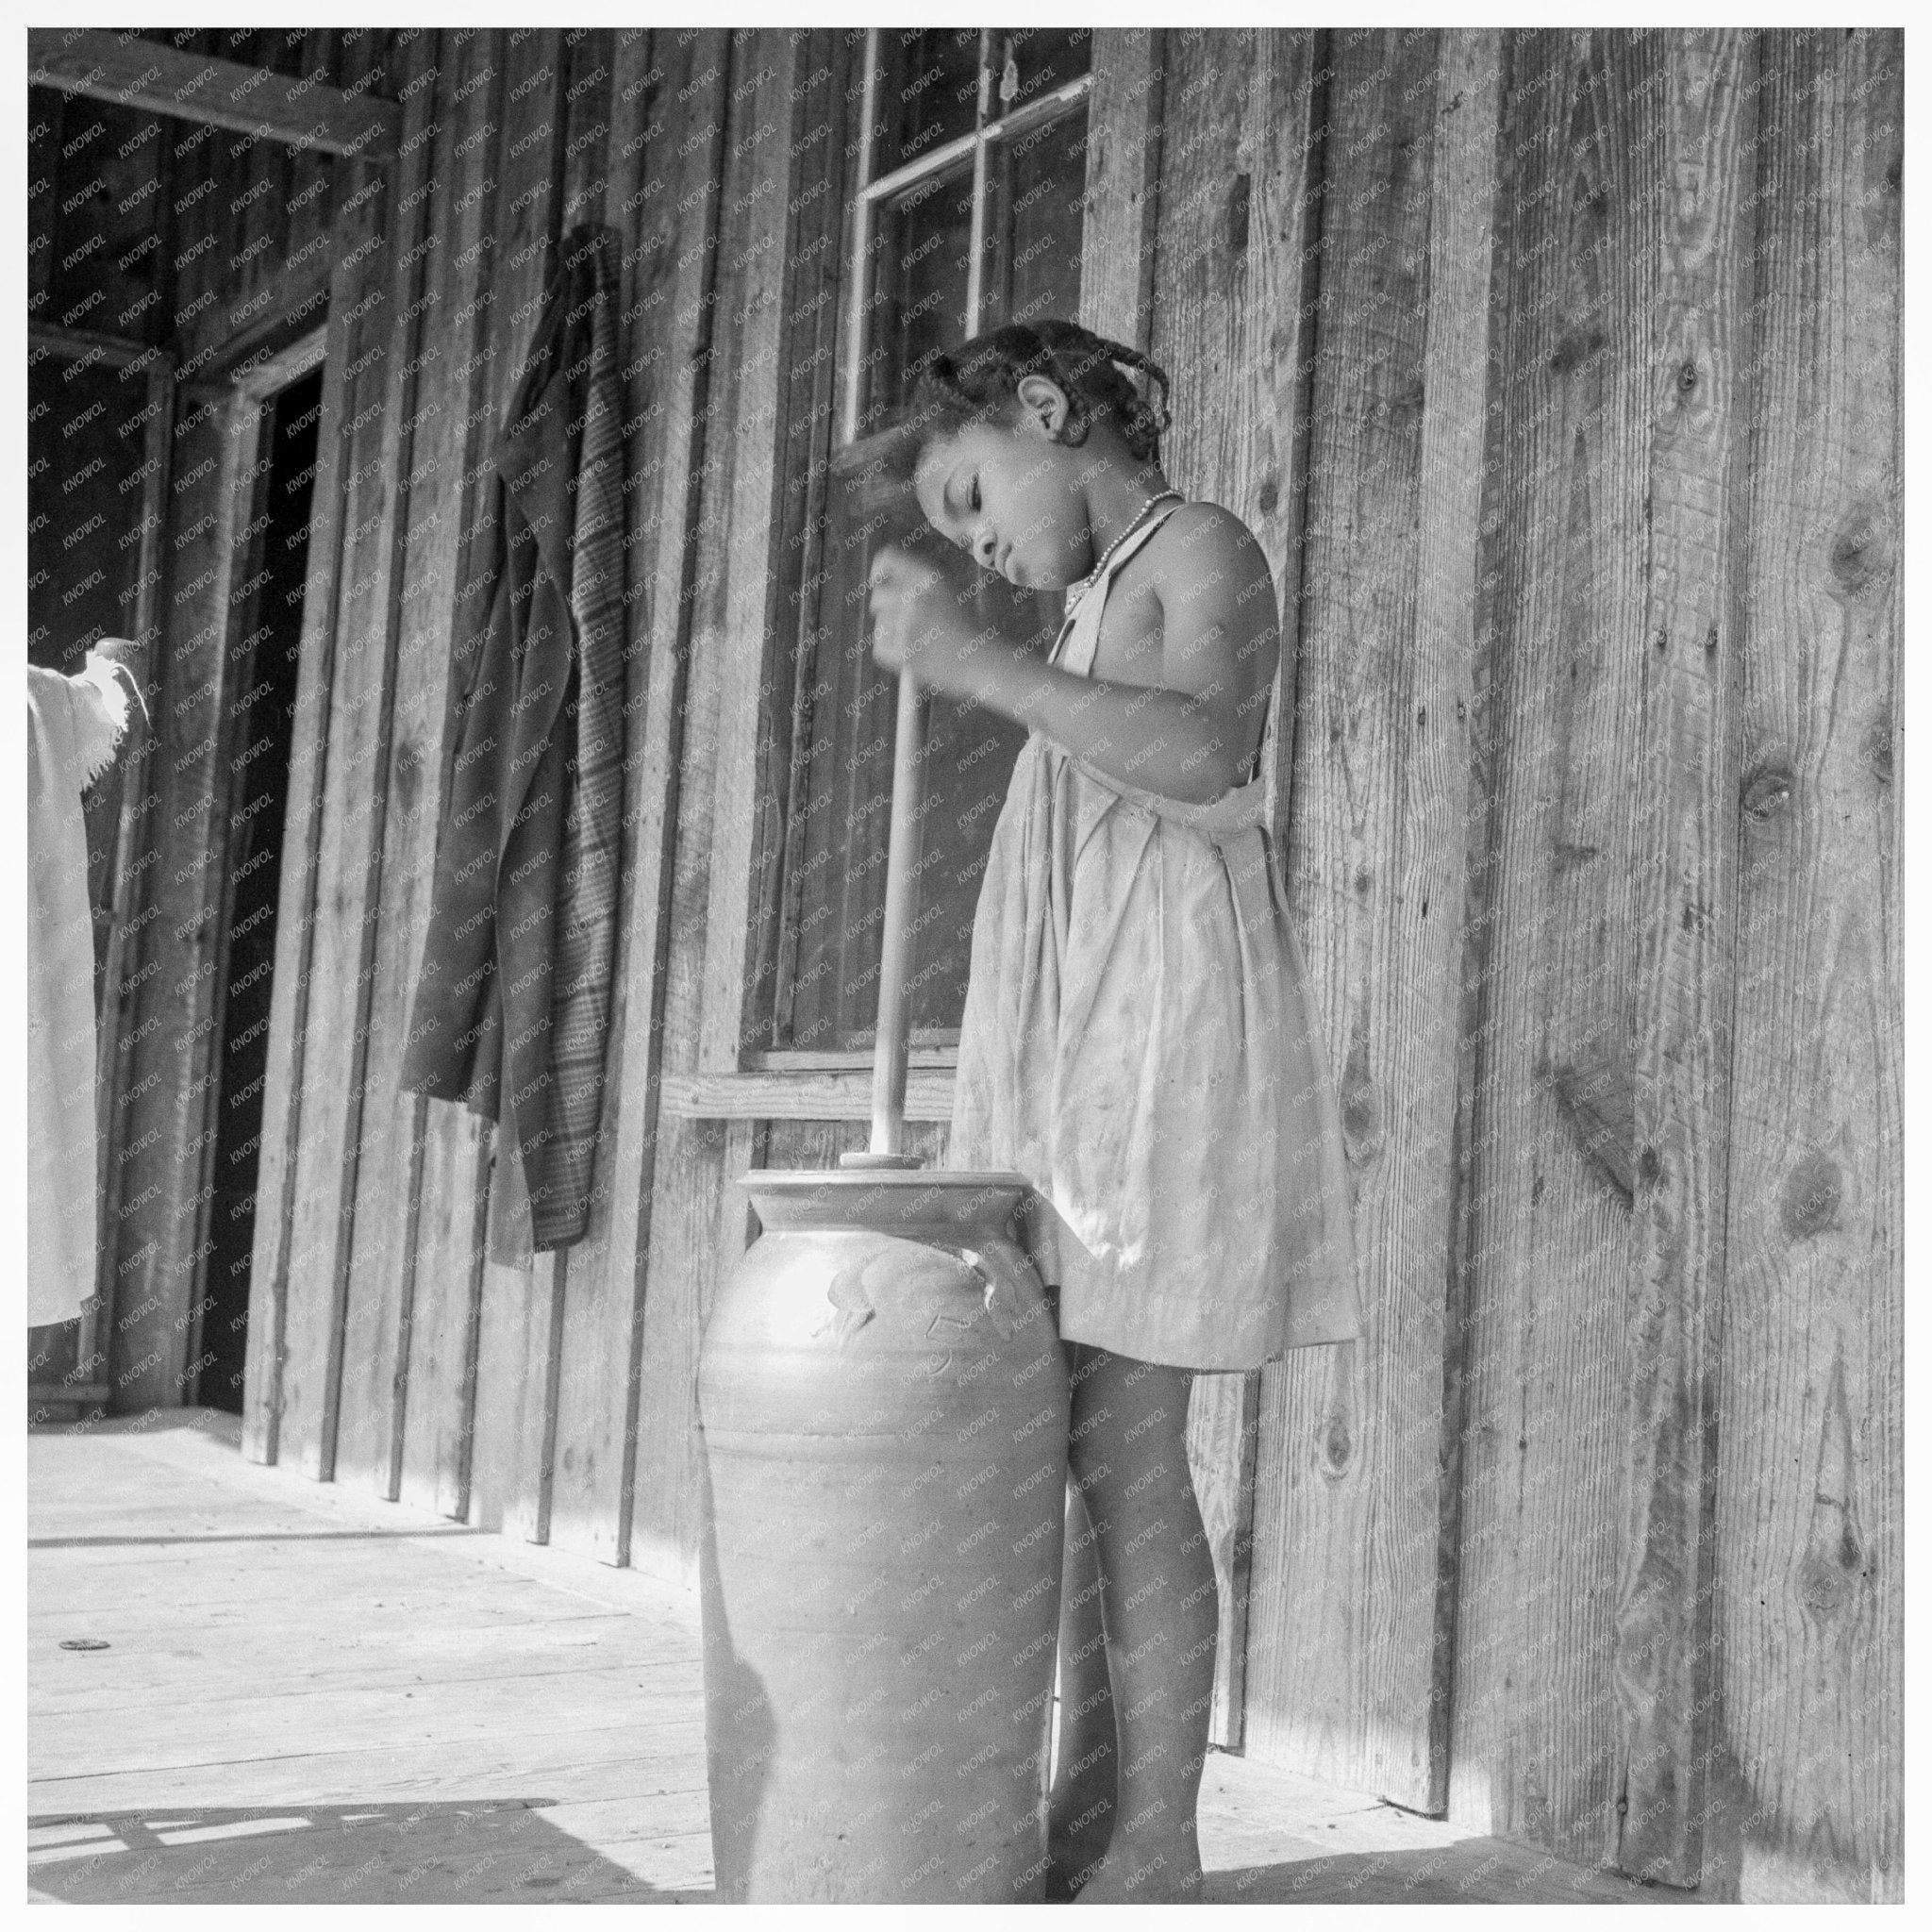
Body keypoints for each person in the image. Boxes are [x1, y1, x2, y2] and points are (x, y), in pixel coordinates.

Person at [864, 320, 1361, 1903]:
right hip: (1080, 1070)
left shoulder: (1196, 550)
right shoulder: (1085, 603)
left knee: (1132, 1456)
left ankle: (1160, 1840)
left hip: (1165, 1057)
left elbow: (1209, 756)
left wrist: (976, 665)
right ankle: (1091, 1802)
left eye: (971, 499)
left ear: (1043, 406)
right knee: (1075, 1449)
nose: (986, 552)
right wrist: (1009, 654)